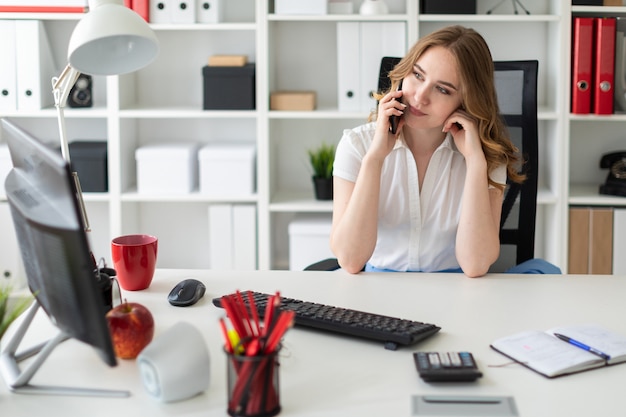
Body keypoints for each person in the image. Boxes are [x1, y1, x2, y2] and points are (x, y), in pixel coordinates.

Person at [329, 25, 560, 277]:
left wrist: (474, 162)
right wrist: (374, 159)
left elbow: (475, 265)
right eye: (417, 75)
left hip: (454, 293)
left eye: (443, 89)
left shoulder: (484, 156)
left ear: (466, 101)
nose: (419, 97)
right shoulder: (357, 145)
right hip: (379, 291)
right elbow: (350, 260)